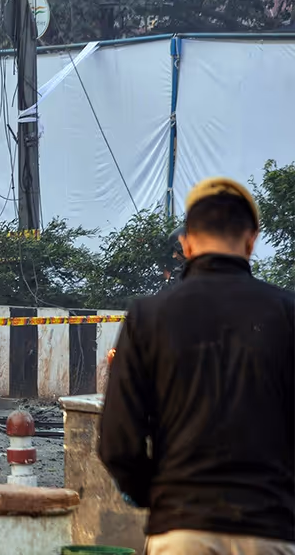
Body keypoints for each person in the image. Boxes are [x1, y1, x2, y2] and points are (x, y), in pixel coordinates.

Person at [99, 177, 295, 555]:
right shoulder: (287, 314)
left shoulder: (148, 316)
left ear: (186, 244)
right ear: (251, 240)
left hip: (181, 530)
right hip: (270, 530)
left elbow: (117, 442)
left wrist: (159, 496)